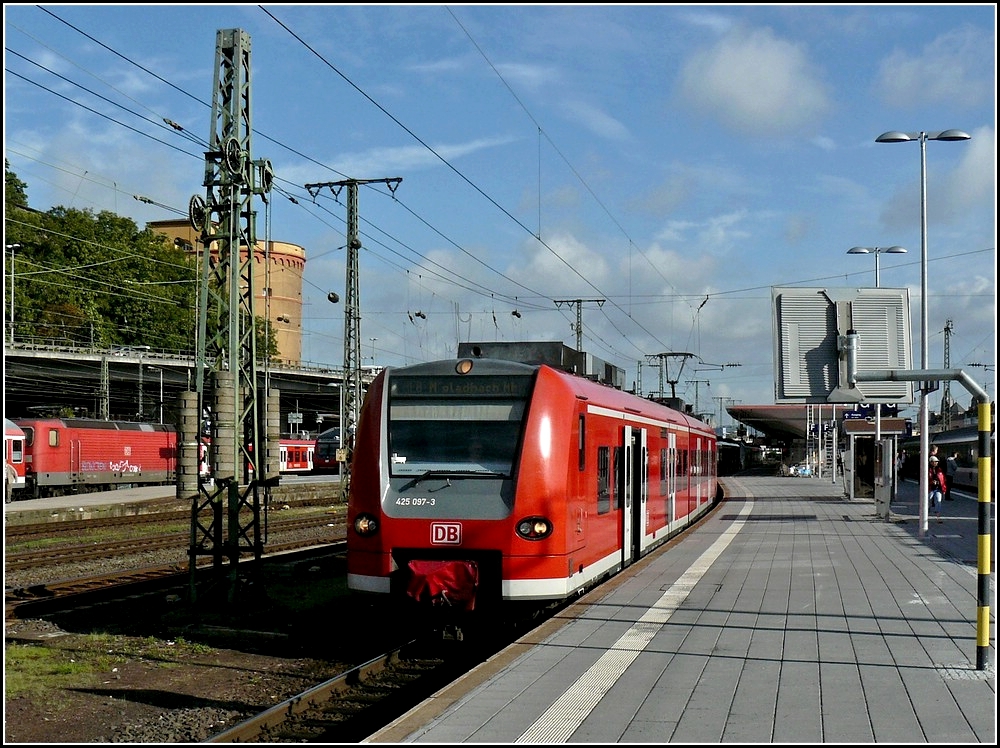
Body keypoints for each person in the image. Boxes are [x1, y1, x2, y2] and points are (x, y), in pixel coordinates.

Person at [928, 455, 946, 523]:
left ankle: (938, 517)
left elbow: (943, 480)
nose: (936, 463)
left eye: (937, 462)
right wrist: (931, 482)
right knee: (928, 501)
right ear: (931, 462)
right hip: (930, 488)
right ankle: (925, 515)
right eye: (934, 462)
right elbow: (924, 479)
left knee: (938, 502)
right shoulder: (927, 470)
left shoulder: (940, 470)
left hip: (938, 488)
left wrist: (944, 489)